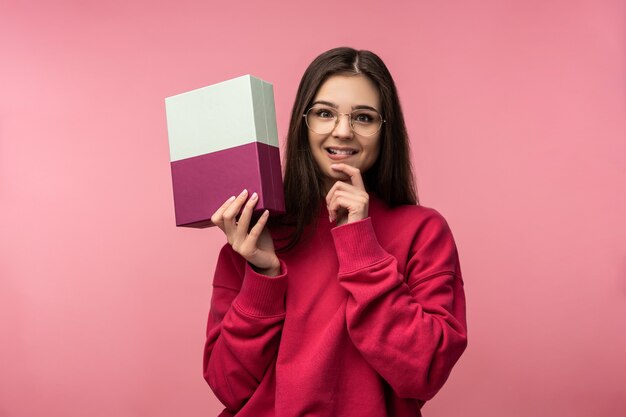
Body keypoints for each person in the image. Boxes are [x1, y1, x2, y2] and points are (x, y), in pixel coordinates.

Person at [203, 47, 468, 417]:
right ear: (302, 123)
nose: (342, 131)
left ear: (385, 130)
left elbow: (423, 371)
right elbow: (228, 387)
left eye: (363, 117)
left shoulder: (423, 231)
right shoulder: (253, 234)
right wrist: (263, 275)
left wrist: (361, 246)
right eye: (325, 113)